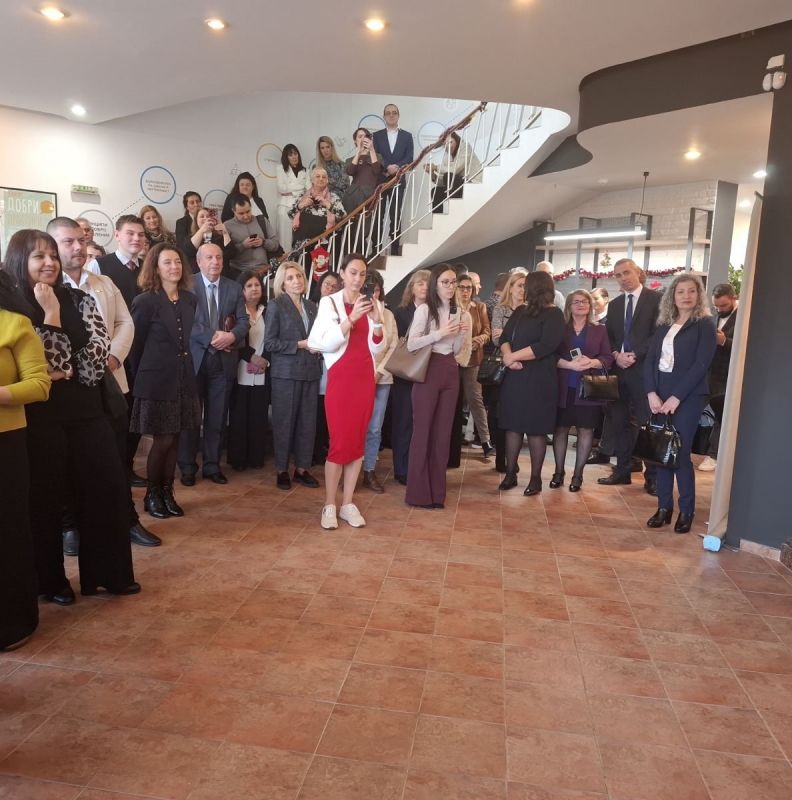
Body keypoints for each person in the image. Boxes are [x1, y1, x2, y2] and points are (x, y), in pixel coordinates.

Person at [4, 229, 139, 601]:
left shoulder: (79, 298)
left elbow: (95, 361)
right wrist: (51, 317)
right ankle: (51, 583)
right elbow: (40, 368)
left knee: (106, 490)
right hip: (38, 417)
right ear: (19, 260)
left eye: (52, 255)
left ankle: (108, 575)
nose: (49, 263)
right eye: (39, 256)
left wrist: (60, 366)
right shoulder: (11, 307)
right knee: (44, 501)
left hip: (88, 411)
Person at [48, 216, 160, 549]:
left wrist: (113, 357)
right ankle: (70, 526)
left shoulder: (103, 282)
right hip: (66, 389)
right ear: (53, 247)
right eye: (68, 242)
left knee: (117, 457)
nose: (78, 247)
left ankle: (128, 520)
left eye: (81, 240)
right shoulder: (46, 287)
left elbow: (125, 322)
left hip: (109, 383)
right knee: (67, 462)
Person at [308, 254, 386, 528]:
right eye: (353, 272)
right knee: (340, 442)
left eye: (362, 274)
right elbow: (323, 343)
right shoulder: (329, 302)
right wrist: (351, 318)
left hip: (364, 377)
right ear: (342, 273)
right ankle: (330, 504)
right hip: (341, 378)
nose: (358, 279)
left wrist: (377, 322)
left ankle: (348, 503)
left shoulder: (373, 302)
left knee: (357, 443)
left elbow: (377, 346)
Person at [130, 243, 201, 519]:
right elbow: (135, 348)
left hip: (184, 378)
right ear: (156, 268)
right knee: (163, 440)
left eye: (178, 262)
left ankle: (168, 493)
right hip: (156, 380)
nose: (174, 267)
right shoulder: (145, 301)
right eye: (167, 262)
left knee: (176, 439)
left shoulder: (189, 299)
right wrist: (144, 380)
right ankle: (152, 495)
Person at [0, 270, 50, 650]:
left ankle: (14, 622)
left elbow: (39, 384)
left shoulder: (15, 323)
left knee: (8, 531)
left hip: (6, 442)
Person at [645, 274, 717, 533]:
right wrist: (651, 393)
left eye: (691, 291)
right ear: (672, 296)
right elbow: (650, 361)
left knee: (681, 454)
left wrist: (676, 397)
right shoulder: (664, 324)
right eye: (681, 291)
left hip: (688, 396)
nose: (686, 296)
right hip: (659, 395)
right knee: (661, 453)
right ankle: (664, 508)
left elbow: (701, 364)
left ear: (699, 295)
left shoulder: (705, 324)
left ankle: (686, 510)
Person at [178, 243, 248, 486]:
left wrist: (232, 336)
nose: (215, 262)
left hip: (223, 362)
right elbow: (185, 319)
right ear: (199, 261)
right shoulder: (187, 285)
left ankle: (212, 465)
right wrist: (213, 336)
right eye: (209, 257)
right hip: (194, 360)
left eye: (218, 257)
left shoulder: (233, 287)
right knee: (191, 418)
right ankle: (187, 467)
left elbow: (243, 321)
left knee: (217, 417)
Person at [88, 215, 148, 486]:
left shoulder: (147, 267)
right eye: (130, 233)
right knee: (115, 414)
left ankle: (127, 467)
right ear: (117, 235)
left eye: (141, 234)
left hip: (143, 352)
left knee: (136, 412)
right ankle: (111, 471)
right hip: (113, 356)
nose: (136, 238)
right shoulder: (100, 265)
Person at [406, 264, 471, 508]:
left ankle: (437, 493)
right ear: (435, 284)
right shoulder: (425, 309)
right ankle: (418, 494)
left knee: (443, 434)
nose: (451, 287)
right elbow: (412, 344)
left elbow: (456, 349)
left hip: (450, 368)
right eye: (445, 282)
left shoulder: (460, 312)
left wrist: (461, 334)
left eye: (453, 282)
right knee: (423, 431)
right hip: (428, 368)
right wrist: (440, 333)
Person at [598, 258, 662, 493]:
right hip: (619, 372)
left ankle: (652, 477)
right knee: (620, 423)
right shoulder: (615, 305)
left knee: (647, 425)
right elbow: (610, 336)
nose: (623, 278)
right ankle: (622, 471)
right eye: (618, 275)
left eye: (626, 272)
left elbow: (659, 334)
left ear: (637, 272)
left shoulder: (656, 299)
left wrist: (635, 354)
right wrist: (616, 354)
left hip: (644, 371)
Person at [498, 271, 565, 495]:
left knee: (536, 429)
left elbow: (546, 345)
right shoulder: (520, 311)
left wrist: (512, 357)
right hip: (515, 376)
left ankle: (535, 479)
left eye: (526, 285)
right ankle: (510, 473)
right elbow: (504, 338)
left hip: (540, 378)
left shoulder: (554, 314)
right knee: (513, 426)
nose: (523, 289)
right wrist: (508, 357)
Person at [263, 261, 322, 490]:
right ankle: (282, 470)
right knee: (284, 422)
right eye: (290, 278)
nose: (296, 281)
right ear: (282, 284)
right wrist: (299, 344)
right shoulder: (276, 305)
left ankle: (302, 469)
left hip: (310, 371)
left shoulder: (311, 306)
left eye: (299, 276)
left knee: (307, 423)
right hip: (285, 374)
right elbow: (270, 343)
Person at [551, 290, 614, 492]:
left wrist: (593, 362)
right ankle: (558, 472)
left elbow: (607, 358)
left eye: (585, 301)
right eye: (576, 301)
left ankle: (577, 475)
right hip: (562, 388)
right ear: (569, 306)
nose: (581, 304)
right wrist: (569, 365)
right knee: (560, 430)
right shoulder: (560, 328)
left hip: (588, 390)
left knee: (586, 430)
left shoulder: (600, 330)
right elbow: (550, 356)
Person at [227, 271, 270, 471]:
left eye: (257, 285)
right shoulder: (236, 311)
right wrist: (251, 357)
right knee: (239, 416)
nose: (254, 289)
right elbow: (234, 338)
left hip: (263, 370)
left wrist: (264, 361)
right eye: (249, 286)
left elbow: (274, 338)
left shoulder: (268, 311)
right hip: (240, 369)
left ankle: (255, 457)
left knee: (258, 416)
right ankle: (238, 459)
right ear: (242, 290)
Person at [391, 269, 430, 484]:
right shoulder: (401, 312)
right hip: (406, 373)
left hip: (429, 373)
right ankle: (401, 468)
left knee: (422, 424)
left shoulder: (437, 311)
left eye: (428, 284)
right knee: (404, 422)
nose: (424, 287)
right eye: (420, 283)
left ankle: (418, 467)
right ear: (412, 288)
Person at [361, 270, 398, 492]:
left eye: (376, 290)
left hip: (382, 379)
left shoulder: (389, 315)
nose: (372, 295)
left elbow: (393, 346)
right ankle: (349, 470)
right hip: (357, 378)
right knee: (355, 426)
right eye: (368, 290)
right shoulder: (354, 312)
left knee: (374, 427)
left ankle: (369, 470)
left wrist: (379, 371)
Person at [699, 282, 738, 472]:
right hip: (707, 374)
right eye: (716, 306)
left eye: (724, 305)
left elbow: (749, 347)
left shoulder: (745, 318)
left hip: (727, 376)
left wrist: (724, 342)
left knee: (722, 417)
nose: (720, 309)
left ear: (734, 298)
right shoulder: (713, 316)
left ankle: (714, 455)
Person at [490, 270, 526, 472]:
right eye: (519, 285)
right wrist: (509, 340)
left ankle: (512, 458)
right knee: (499, 413)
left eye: (525, 286)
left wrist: (506, 335)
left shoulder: (530, 310)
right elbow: (496, 339)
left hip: (523, 367)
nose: (522, 289)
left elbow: (527, 340)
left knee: (518, 414)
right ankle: (501, 457)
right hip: (502, 368)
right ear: (510, 288)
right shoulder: (500, 309)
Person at [456, 273, 492, 456]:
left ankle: (485, 441)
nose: (465, 291)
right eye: (461, 287)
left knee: (476, 400)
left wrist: (480, 339)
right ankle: (451, 439)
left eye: (468, 288)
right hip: (452, 360)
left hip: (473, 359)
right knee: (452, 400)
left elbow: (487, 331)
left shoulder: (479, 307)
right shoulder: (450, 308)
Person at [373, 104, 414, 256]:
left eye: (394, 112)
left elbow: (409, 157)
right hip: (380, 181)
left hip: (398, 181)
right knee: (378, 216)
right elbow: (374, 156)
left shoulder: (407, 136)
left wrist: (397, 167)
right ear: (384, 116)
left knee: (395, 216)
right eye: (388, 113)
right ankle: (376, 249)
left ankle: (395, 248)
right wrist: (386, 167)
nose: (391, 115)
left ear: (398, 115)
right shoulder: (376, 136)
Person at [312, 271, 342, 465]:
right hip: (312, 363)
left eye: (334, 286)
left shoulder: (338, 311)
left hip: (330, 365)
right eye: (327, 284)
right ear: (320, 285)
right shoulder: (310, 306)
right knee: (313, 409)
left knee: (326, 408)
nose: (329, 289)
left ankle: (323, 447)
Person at [289, 167, 346, 253]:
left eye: (324, 177)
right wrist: (301, 205)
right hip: (302, 240)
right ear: (312, 180)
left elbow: (343, 215)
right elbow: (290, 214)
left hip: (323, 240)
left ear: (327, 181)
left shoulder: (333, 197)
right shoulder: (302, 195)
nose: (321, 179)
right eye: (318, 176)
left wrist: (328, 205)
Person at [344, 127, 383, 251]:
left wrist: (371, 150)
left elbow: (377, 170)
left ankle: (361, 256)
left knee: (362, 231)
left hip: (368, 196)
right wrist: (358, 152)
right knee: (349, 230)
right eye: (359, 136)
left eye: (365, 136)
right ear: (355, 141)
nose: (363, 139)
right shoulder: (350, 159)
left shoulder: (377, 156)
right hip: (352, 196)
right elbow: (350, 171)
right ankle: (350, 256)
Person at [224, 194, 280, 277]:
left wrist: (263, 242)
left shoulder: (262, 220)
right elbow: (226, 254)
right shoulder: (227, 226)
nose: (246, 216)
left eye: (248, 211)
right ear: (233, 211)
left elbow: (275, 245)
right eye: (241, 213)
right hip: (239, 272)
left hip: (263, 271)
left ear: (251, 207)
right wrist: (243, 245)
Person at [425, 132, 483, 212]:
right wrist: (432, 173)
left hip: (473, 183)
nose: (448, 146)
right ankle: (437, 218)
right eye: (445, 144)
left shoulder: (465, 147)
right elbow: (444, 181)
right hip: (460, 186)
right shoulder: (447, 156)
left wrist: (436, 167)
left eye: (451, 142)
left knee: (449, 176)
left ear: (457, 140)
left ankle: (455, 210)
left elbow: (454, 170)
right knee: (435, 191)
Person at [276, 146, 311, 252]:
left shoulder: (306, 170)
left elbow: (309, 189)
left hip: (301, 208)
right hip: (285, 207)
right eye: (290, 155)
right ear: (286, 157)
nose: (294, 157)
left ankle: (297, 261)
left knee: (299, 239)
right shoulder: (281, 169)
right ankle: (285, 260)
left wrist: (292, 192)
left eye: (295, 153)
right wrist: (300, 190)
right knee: (284, 239)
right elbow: (281, 188)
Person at [183, 207, 231, 274]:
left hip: (220, 274)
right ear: (196, 220)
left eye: (208, 216)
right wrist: (202, 229)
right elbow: (189, 250)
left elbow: (231, 253)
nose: (206, 219)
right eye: (202, 216)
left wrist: (225, 232)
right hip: (197, 275)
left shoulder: (219, 237)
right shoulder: (190, 238)